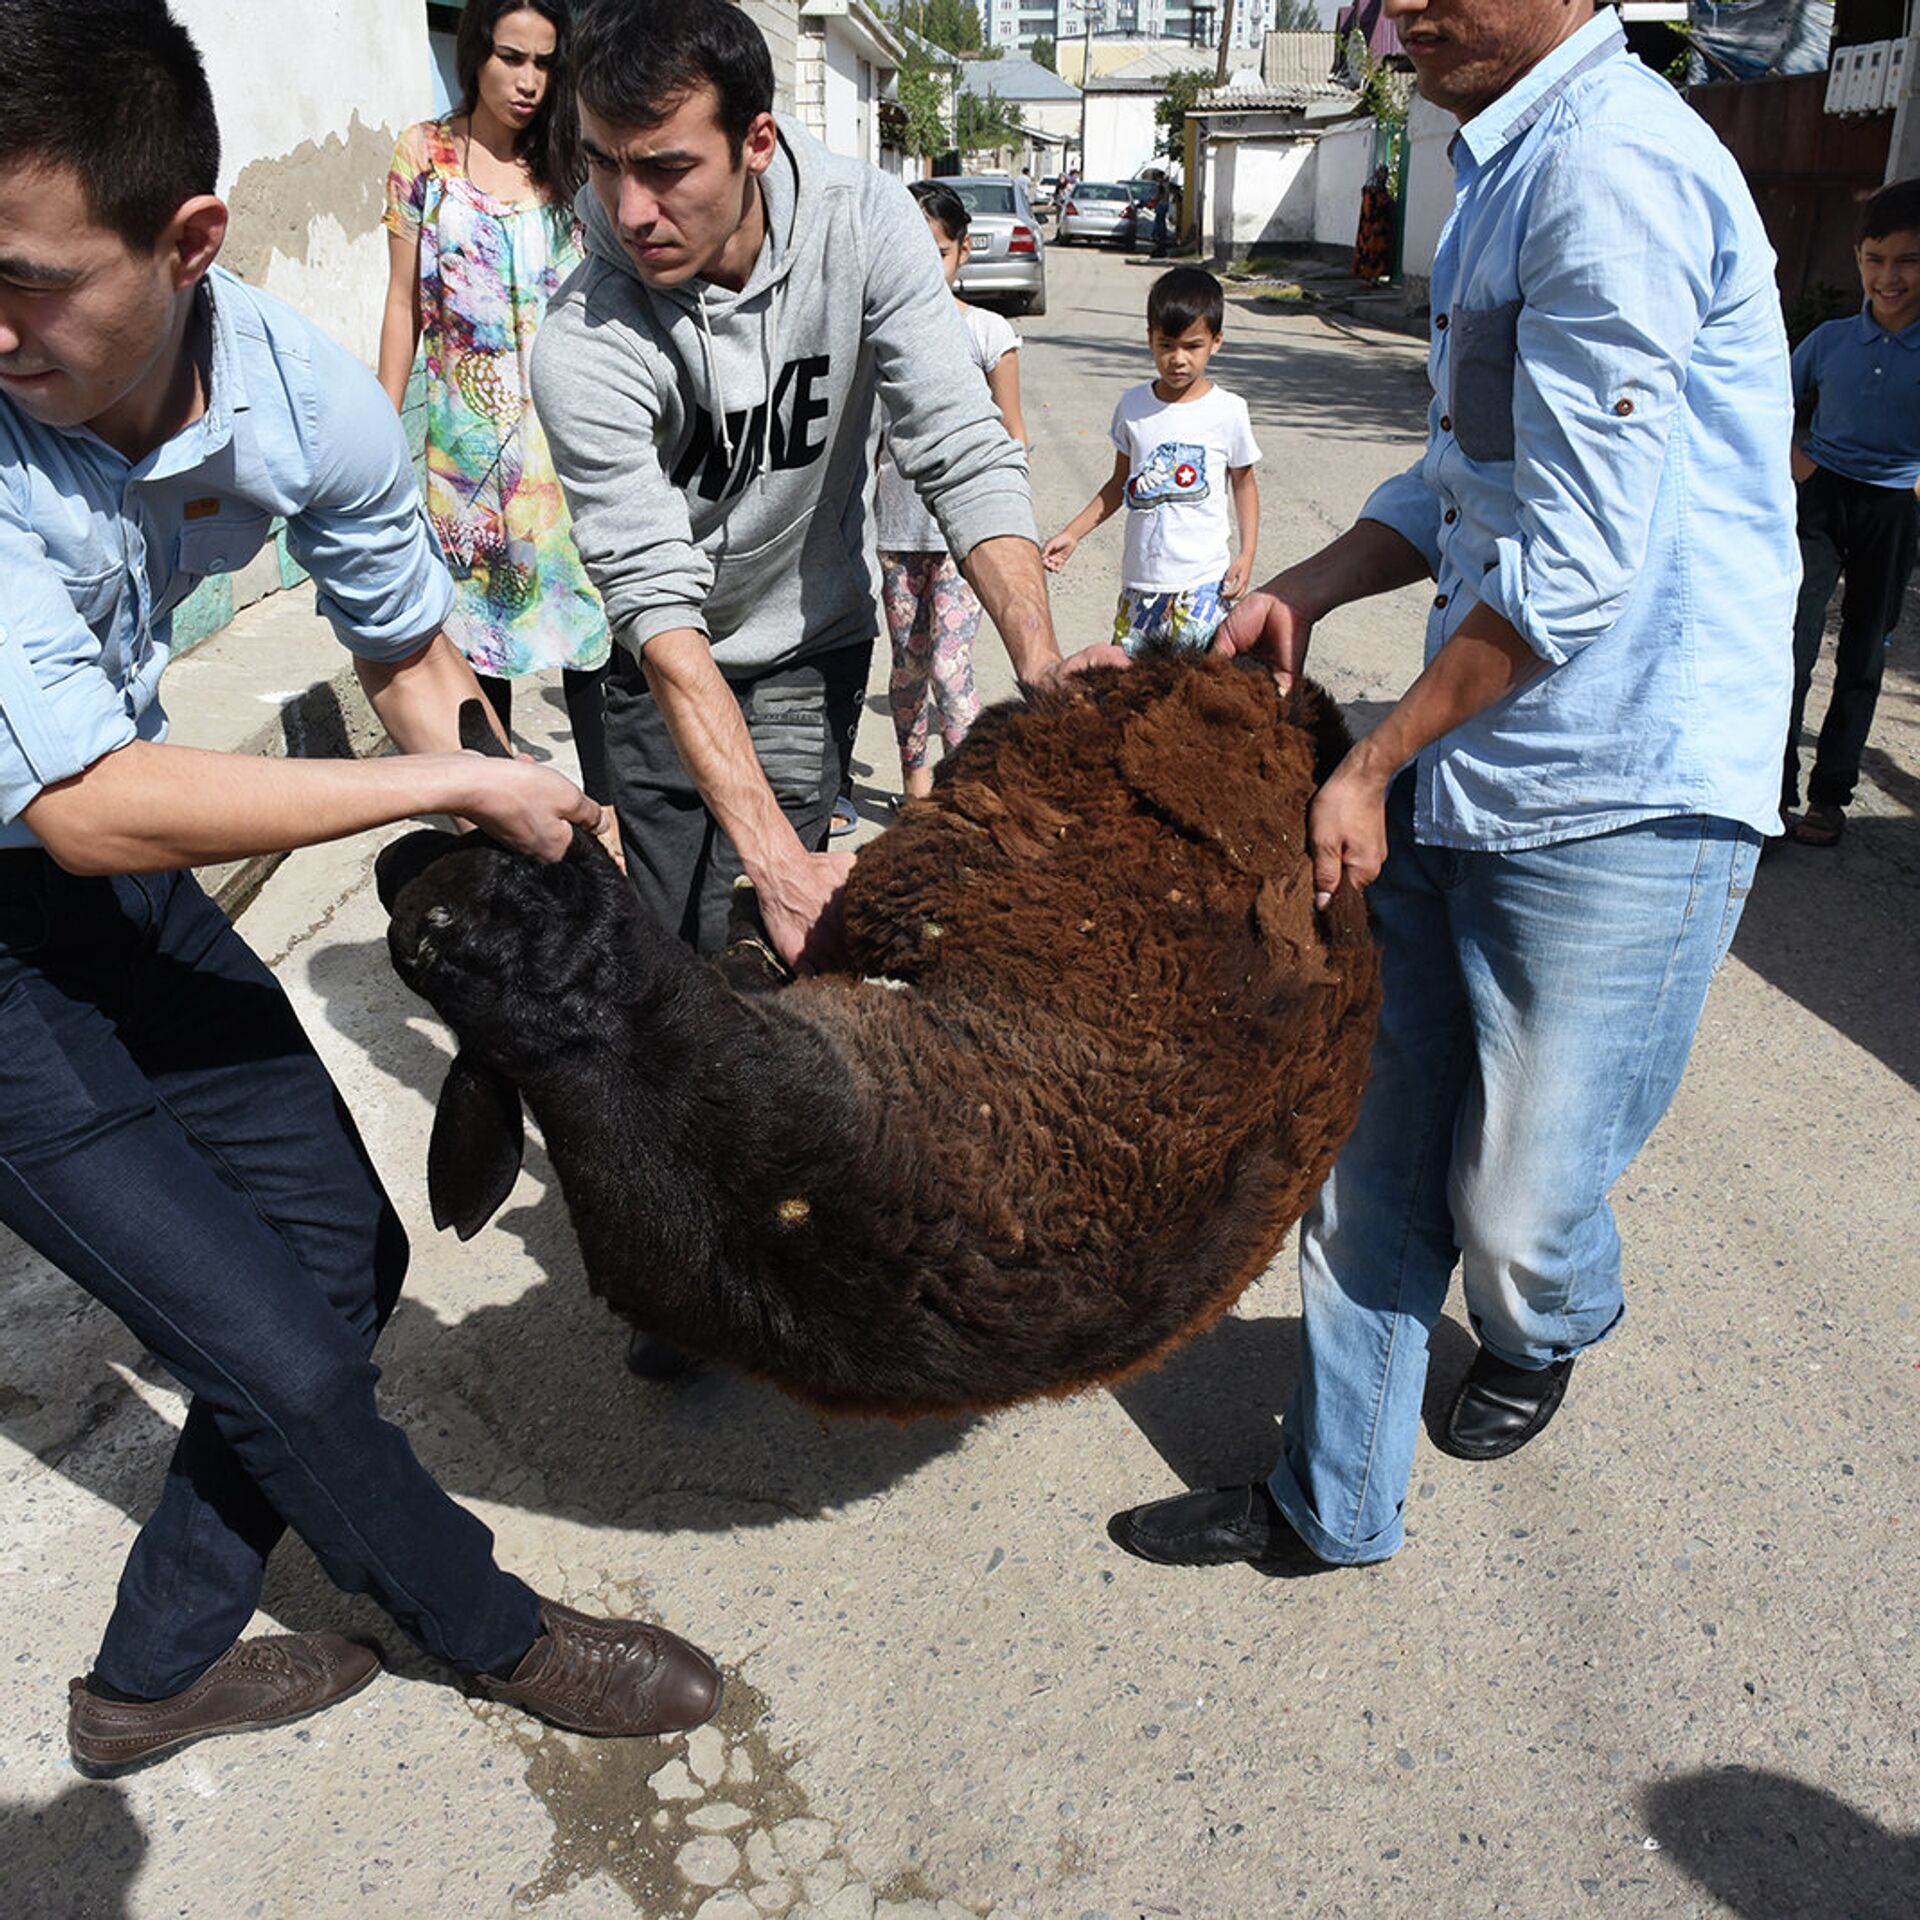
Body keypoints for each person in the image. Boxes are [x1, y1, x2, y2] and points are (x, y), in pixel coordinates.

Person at [0, 0, 721, 1777]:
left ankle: (152, 1675)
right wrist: (443, 775)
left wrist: (516, 813)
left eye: (27, 277)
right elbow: (88, 803)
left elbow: (407, 649)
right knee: (296, 1366)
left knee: (341, 1250)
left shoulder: (302, 395)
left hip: (116, 894)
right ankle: (497, 1631)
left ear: (186, 245)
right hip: (21, 920)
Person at [1108, 0, 1797, 1573]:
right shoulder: (1495, 166)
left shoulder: (1611, 172)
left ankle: (1560, 1313)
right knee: (1371, 1144)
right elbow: (1460, 479)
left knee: (1519, 1217)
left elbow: (1574, 571)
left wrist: (1372, 753)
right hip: (1466, 760)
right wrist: (1313, 582)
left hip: (1624, 788)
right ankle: (1330, 1499)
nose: (1391, 17)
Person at [532, 0, 1098, 976]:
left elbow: (961, 444)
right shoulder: (586, 338)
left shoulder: (864, 220)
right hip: (665, 663)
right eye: (604, 162)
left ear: (755, 141)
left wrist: (1043, 668)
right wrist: (774, 864)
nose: (629, 210)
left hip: (804, 645)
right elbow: (655, 603)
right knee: (676, 944)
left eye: (665, 166)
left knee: (765, 935)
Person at [379, 0, 615, 825]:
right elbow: (402, 308)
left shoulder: (576, 164)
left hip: (567, 448)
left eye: (546, 63)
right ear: (476, 52)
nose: (528, 81)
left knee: (595, 643)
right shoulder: (424, 156)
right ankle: (506, 851)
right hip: (466, 462)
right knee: (482, 656)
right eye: (512, 57)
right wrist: (380, 434)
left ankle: (617, 837)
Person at [1779, 177, 1920, 848]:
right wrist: (1796, 457)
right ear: (1858, 256)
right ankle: (1769, 792)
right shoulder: (1832, 340)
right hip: (1820, 500)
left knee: (1863, 655)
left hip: (1893, 510)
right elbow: (1771, 397)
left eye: (1908, 261)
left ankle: (1829, 797)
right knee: (1793, 647)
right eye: (1875, 259)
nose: (1888, 277)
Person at [875, 179, 1026, 800]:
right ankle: (917, 789)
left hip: (964, 542)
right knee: (908, 669)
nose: (925, 265)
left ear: (963, 252)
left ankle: (960, 792)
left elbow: (1012, 435)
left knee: (950, 666)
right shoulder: (878, 335)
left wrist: (1013, 532)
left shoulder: (989, 334)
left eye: (936, 251)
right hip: (895, 534)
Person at [1043, 266, 1260, 657]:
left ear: (1216, 341)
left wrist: (1246, 555)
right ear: (1150, 340)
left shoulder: (1229, 411)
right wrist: (1073, 533)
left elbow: (1244, 485)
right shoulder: (1133, 407)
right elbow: (1118, 485)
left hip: (1203, 583)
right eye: (1166, 345)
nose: (1178, 359)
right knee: (1133, 687)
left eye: (1192, 346)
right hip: (1142, 584)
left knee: (1193, 688)